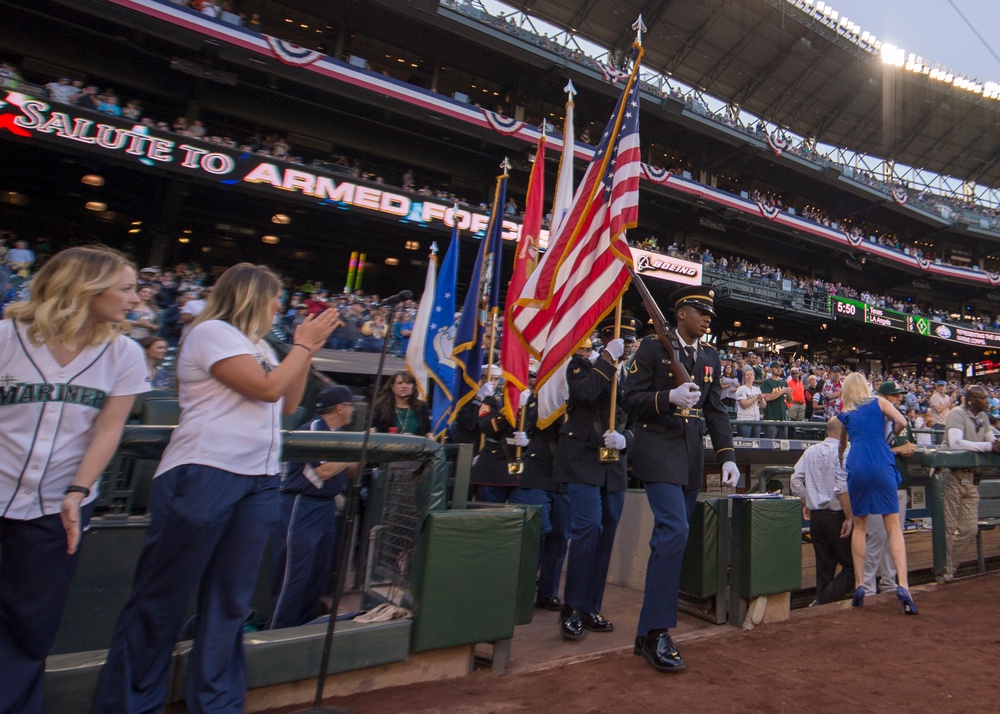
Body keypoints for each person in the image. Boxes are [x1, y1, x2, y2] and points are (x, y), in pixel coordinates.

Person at [93, 263, 337, 713]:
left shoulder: (262, 344)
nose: (278, 306)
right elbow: (266, 389)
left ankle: (218, 703)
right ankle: (129, 704)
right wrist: (300, 346)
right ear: (251, 296)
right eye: (274, 298)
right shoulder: (212, 332)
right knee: (163, 597)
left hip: (258, 479)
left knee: (231, 601)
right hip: (203, 470)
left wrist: (306, 351)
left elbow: (287, 403)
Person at [0, 245, 148, 714]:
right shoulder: (7, 336)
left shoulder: (124, 352)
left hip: (58, 504)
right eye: (125, 288)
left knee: (31, 625)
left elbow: (108, 427)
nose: (134, 298)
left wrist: (79, 490)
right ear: (87, 286)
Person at [623, 287, 738, 673]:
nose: (707, 319)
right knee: (672, 532)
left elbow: (716, 410)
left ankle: (644, 634)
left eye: (710, 314)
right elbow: (630, 398)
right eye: (701, 312)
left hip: (690, 456)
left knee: (673, 539)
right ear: (682, 312)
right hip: (656, 450)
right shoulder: (653, 347)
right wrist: (667, 397)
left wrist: (727, 456)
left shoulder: (709, 356)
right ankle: (658, 632)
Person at [555, 316, 638, 641]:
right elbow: (585, 395)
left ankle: (591, 606)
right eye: (622, 340)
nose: (627, 345)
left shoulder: (631, 376)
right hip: (583, 461)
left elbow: (635, 417)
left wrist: (627, 440)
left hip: (613, 463)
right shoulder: (581, 365)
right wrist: (606, 360)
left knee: (606, 536)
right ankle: (572, 606)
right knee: (588, 529)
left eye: (630, 341)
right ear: (606, 339)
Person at [269, 386, 362, 629]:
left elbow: (346, 472)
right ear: (340, 408)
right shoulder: (313, 429)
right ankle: (277, 631)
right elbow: (323, 470)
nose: (352, 410)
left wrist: (361, 456)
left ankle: (302, 627)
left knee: (316, 576)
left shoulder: (340, 433)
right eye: (350, 405)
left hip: (325, 506)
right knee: (294, 576)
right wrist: (358, 447)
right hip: (300, 504)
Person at [837, 373, 918, 614]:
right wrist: (888, 437)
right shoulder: (880, 402)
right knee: (893, 526)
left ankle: (859, 584)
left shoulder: (846, 413)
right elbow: (902, 421)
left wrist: (843, 458)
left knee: (860, 525)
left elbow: (841, 446)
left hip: (857, 464)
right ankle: (902, 585)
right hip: (881, 460)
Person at [508, 372, 568, 611]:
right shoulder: (535, 398)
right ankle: (522, 588)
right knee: (538, 532)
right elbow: (531, 423)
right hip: (538, 472)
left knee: (559, 537)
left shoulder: (576, 398)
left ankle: (547, 592)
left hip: (565, 475)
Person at [862, 381, 919, 595]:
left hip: (899, 482)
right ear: (884, 396)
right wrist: (897, 449)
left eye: (900, 395)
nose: (899, 398)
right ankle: (867, 586)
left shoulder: (901, 418)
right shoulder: (874, 419)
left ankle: (889, 584)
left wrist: (906, 449)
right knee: (877, 535)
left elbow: (910, 445)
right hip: (879, 482)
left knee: (894, 536)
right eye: (895, 395)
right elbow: (872, 448)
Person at [790, 418, 854, 604]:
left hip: (816, 517)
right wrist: (849, 516)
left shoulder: (811, 451)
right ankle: (821, 603)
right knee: (852, 566)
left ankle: (821, 609)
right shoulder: (845, 452)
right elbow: (842, 487)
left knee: (825, 567)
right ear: (844, 432)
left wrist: (806, 502)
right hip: (838, 515)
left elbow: (795, 481)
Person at [941, 385, 1000, 581]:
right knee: (948, 528)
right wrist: (988, 446)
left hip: (971, 478)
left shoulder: (982, 417)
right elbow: (955, 443)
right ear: (972, 400)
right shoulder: (957, 413)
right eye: (982, 398)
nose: (987, 401)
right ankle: (945, 572)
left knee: (969, 529)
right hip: (951, 475)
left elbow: (991, 440)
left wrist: (995, 445)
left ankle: (948, 568)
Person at [371, 370, 430, 436]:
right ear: (392, 387)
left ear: (414, 387)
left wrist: (429, 435)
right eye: (400, 383)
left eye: (408, 383)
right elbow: (372, 429)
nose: (404, 386)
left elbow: (427, 431)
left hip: (415, 445)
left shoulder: (422, 407)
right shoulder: (381, 406)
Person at [760, 361, 790, 438]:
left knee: (783, 445)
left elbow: (790, 401)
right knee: (770, 445)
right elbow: (767, 397)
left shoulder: (784, 383)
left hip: (783, 418)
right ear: (771, 369)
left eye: (780, 368)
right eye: (776, 367)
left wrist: (789, 393)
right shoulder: (767, 382)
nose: (779, 369)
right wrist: (782, 391)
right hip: (771, 418)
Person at [734, 365, 765, 437]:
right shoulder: (741, 389)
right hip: (745, 421)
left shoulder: (757, 389)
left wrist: (762, 399)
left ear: (754, 377)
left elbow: (763, 406)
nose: (749, 376)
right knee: (745, 444)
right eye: (747, 375)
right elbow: (744, 404)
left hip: (756, 420)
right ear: (744, 377)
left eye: (751, 375)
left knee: (756, 444)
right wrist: (756, 397)